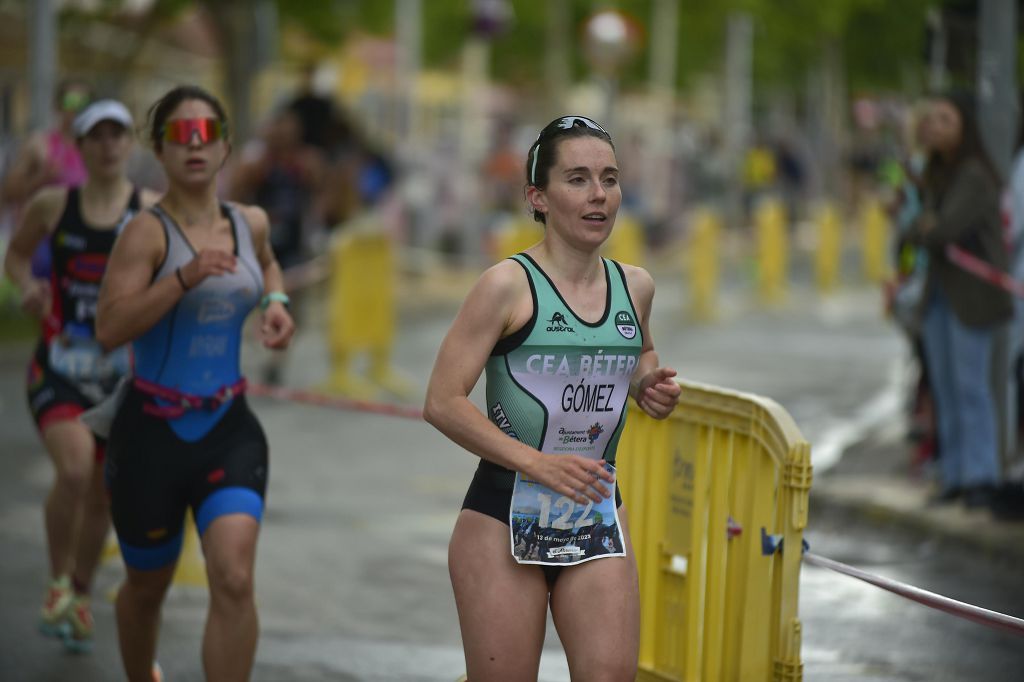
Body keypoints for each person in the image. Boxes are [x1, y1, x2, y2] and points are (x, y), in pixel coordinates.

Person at [424, 115, 681, 681]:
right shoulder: (506, 286)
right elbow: (442, 401)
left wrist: (648, 387)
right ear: (537, 197)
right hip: (501, 515)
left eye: (610, 180)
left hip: (594, 513)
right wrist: (536, 462)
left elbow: (639, 356)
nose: (598, 196)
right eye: (578, 179)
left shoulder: (635, 286)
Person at [95, 85, 295, 681]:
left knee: (233, 575)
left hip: (227, 427)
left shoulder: (247, 222)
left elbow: (270, 263)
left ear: (227, 145)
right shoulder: (145, 234)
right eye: (180, 135)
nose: (195, 146)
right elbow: (108, 328)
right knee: (146, 588)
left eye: (206, 133)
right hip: (149, 435)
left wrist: (277, 303)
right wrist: (183, 276)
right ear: (161, 150)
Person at [2, 99, 158, 652]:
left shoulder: (150, 210)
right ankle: (57, 582)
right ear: (83, 146)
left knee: (101, 493)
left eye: (119, 135)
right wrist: (27, 287)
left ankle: (82, 595)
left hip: (119, 376)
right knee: (72, 470)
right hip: (60, 366)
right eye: (98, 136)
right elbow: (16, 256)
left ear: (130, 146)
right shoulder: (53, 204)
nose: (110, 145)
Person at [909, 92, 1013, 508]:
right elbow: (920, 227)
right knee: (944, 386)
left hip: (970, 297)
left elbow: (940, 229)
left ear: (965, 127)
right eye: (930, 118)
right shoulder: (937, 173)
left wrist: (926, 225)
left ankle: (980, 476)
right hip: (939, 293)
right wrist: (924, 224)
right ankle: (953, 474)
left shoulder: (972, 174)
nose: (934, 126)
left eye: (945, 119)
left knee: (971, 386)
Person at [1, 79, 92, 279]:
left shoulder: (95, 149)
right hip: (43, 240)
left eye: (84, 103)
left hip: (82, 239)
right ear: (58, 106)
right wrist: (41, 178)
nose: (77, 109)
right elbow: (8, 192)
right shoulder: (40, 145)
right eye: (71, 101)